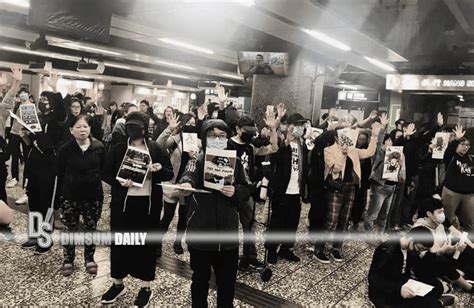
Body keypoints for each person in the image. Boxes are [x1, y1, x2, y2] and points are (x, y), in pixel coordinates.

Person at [101, 111, 173, 306]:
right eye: (130, 125)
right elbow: (106, 173)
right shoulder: (117, 149)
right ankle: (117, 283)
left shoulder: (156, 148)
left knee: (145, 247)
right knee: (120, 244)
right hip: (123, 205)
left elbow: (169, 173)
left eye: (137, 126)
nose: (133, 130)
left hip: (148, 206)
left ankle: (145, 287)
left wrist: (158, 170)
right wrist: (119, 182)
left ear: (145, 128)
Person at [176, 119, 250, 307]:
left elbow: (246, 188)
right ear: (205, 137)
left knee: (227, 285)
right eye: (212, 135)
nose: (217, 139)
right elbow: (189, 173)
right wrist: (186, 183)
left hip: (228, 238)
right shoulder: (197, 159)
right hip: (201, 234)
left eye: (222, 136)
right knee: (199, 282)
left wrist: (236, 192)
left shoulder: (236, 162)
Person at [315, 119, 380, 263]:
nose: (346, 136)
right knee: (332, 219)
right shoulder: (329, 150)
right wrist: (343, 154)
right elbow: (336, 169)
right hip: (336, 187)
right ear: (337, 136)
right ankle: (319, 248)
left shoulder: (353, 150)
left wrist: (375, 135)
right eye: (343, 133)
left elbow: (369, 152)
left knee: (344, 219)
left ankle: (336, 247)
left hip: (351, 186)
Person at [18, 73, 67, 254]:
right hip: (34, 164)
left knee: (46, 202)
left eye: (46, 99)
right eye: (41, 98)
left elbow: (62, 112)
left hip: (49, 165)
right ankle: (34, 235)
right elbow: (33, 141)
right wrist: (25, 137)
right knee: (34, 200)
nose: (42, 101)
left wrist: (55, 89)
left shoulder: (56, 119)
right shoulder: (36, 116)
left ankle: (45, 240)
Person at [228, 111, 280, 270]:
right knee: (229, 226)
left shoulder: (250, 147)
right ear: (238, 129)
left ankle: (249, 256)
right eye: (247, 132)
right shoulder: (227, 145)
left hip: (246, 191)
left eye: (252, 132)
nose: (250, 135)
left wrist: (273, 129)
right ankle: (228, 257)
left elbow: (273, 148)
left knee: (249, 225)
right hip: (228, 190)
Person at [57, 115, 105, 276]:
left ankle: (89, 258)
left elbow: (105, 171)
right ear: (71, 130)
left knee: (90, 228)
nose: (82, 130)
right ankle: (68, 259)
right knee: (70, 228)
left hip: (93, 196)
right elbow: (59, 172)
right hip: (70, 196)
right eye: (78, 127)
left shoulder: (99, 147)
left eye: (85, 126)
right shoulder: (65, 149)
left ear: (90, 128)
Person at [368, 226, 456, 307]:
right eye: (420, 248)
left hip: (403, 282)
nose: (419, 251)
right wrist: (399, 289)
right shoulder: (387, 250)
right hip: (387, 291)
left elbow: (421, 272)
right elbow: (373, 278)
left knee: (437, 286)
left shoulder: (411, 250)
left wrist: (431, 254)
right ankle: (438, 303)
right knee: (427, 302)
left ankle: (434, 302)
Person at [265, 112, 309, 264]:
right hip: (282, 190)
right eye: (296, 125)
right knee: (277, 221)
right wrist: (281, 139)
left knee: (292, 222)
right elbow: (274, 153)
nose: (299, 128)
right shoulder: (284, 141)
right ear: (289, 126)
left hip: (296, 190)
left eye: (301, 125)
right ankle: (271, 249)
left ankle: (285, 248)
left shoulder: (302, 144)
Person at [155, 112, 201, 256]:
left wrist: (196, 157)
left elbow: (202, 161)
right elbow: (157, 145)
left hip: (187, 184)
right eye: (189, 123)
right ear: (182, 124)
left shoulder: (198, 142)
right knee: (167, 215)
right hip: (172, 183)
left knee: (183, 216)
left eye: (194, 124)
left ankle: (178, 242)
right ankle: (157, 243)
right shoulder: (175, 139)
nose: (191, 126)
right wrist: (170, 129)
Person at [413, 196, 474, 284]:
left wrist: (455, 249)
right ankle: (462, 279)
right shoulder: (421, 229)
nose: (442, 215)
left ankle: (460, 274)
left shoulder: (439, 224)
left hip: (444, 254)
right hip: (431, 262)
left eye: (443, 212)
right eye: (439, 212)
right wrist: (444, 250)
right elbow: (426, 256)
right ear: (429, 214)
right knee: (444, 262)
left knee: (469, 252)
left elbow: (447, 245)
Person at [364, 114, 406, 234]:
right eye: (387, 141)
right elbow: (378, 142)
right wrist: (383, 126)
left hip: (391, 186)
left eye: (390, 141)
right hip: (379, 186)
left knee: (385, 214)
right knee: (373, 213)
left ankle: (380, 234)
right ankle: (369, 235)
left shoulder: (395, 153)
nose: (390, 143)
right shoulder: (379, 153)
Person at [441, 125, 474, 231]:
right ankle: (448, 242)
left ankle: (469, 245)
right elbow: (449, 150)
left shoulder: (470, 158)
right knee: (448, 220)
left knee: (470, 221)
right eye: (463, 144)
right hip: (451, 192)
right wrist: (456, 139)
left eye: (468, 145)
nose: (465, 147)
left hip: (468, 194)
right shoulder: (452, 156)